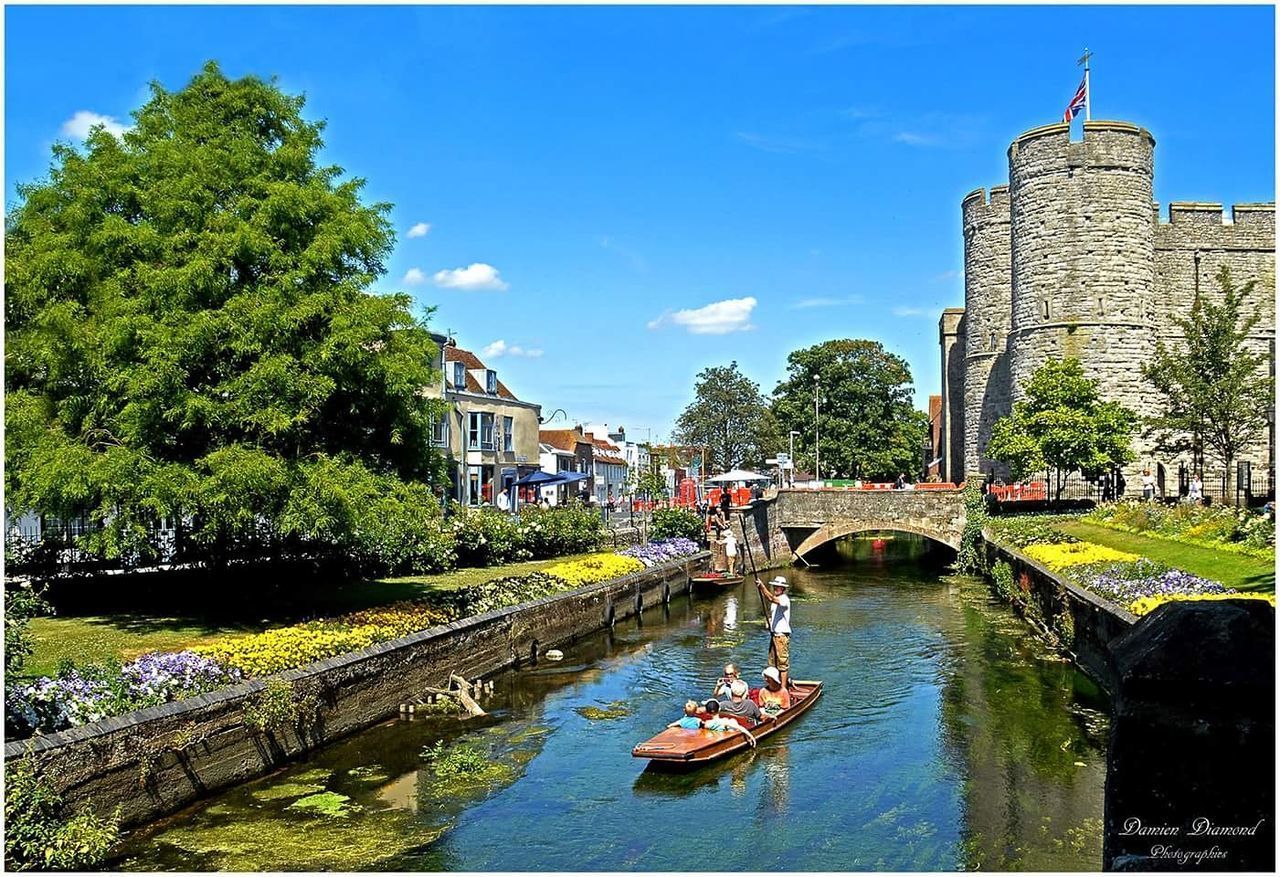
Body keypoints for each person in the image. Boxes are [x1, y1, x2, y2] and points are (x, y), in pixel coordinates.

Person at [756, 574, 792, 689]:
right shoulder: (776, 602)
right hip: (774, 635)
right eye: (775, 587)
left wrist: (762, 587)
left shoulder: (784, 599)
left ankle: (783, 689)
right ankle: (774, 685)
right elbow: (776, 615)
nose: (776, 588)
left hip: (781, 636)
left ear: (783, 589)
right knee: (772, 662)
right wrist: (770, 622)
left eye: (778, 587)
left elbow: (771, 598)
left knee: (782, 663)